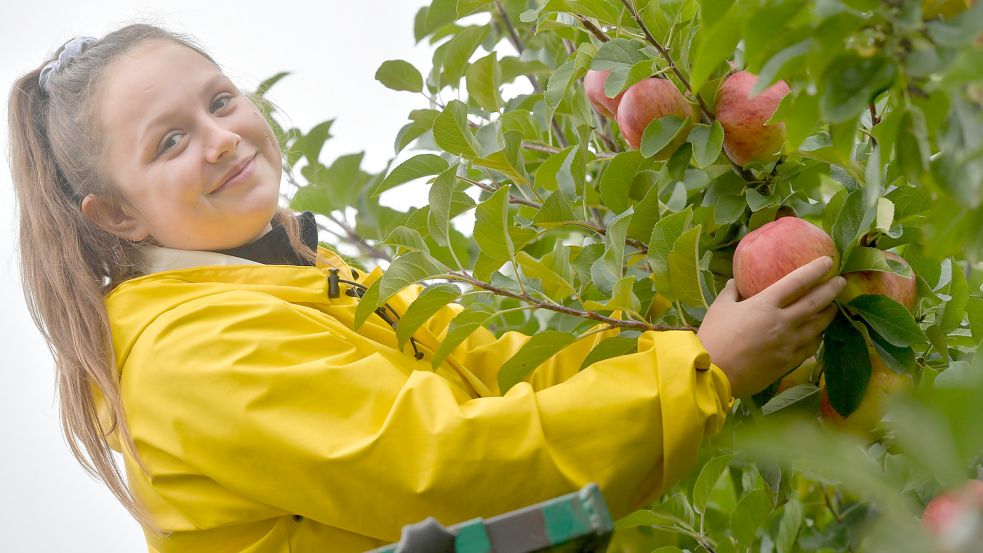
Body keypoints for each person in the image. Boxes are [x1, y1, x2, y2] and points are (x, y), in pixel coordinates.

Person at [7, 23, 846, 553]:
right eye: (170, 141)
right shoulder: (191, 355)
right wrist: (703, 371)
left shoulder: (318, 285)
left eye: (221, 100)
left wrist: (693, 335)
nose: (223, 139)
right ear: (114, 215)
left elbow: (508, 364)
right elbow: (443, 469)